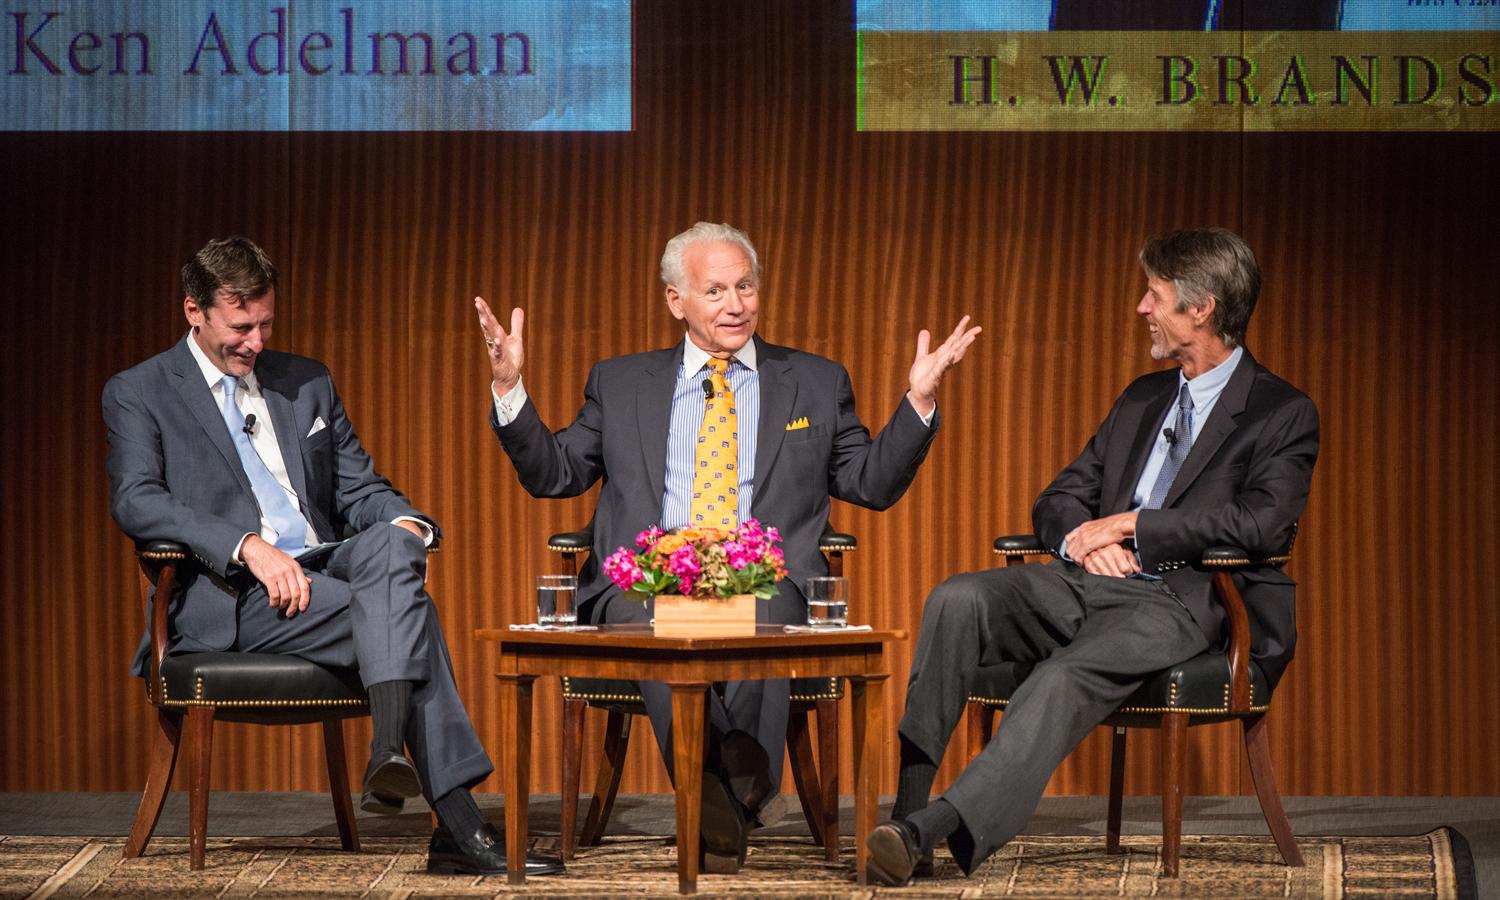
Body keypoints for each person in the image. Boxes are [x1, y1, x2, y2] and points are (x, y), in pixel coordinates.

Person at [478, 221, 980, 869]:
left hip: (764, 577)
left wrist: (918, 399)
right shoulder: (621, 382)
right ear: (675, 299)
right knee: (654, 620)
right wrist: (509, 390)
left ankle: (719, 803)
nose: (736, 304)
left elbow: (870, 484)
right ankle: (741, 784)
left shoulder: (815, 382)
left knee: (756, 608)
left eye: (745, 286)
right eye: (714, 291)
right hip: (644, 581)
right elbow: (556, 473)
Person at [867, 228, 1319, 885]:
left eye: (1154, 295)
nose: (1141, 308)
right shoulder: (1141, 398)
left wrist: (1137, 527)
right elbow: (1060, 497)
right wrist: (1079, 537)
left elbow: (1261, 522)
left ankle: (922, 832)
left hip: (1185, 602)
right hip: (1083, 581)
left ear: (1203, 309)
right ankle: (906, 812)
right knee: (957, 598)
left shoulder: (1281, 412)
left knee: (1058, 678)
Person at [103, 236, 562, 878]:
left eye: (266, 323)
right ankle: (454, 821)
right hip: (233, 595)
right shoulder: (140, 390)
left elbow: (357, 490)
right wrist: (247, 546)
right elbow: (138, 501)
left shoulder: (305, 380)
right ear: (193, 311)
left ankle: (392, 761)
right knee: (412, 613)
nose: (256, 342)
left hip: (324, 568)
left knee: (394, 544)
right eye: (241, 327)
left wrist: (408, 521)